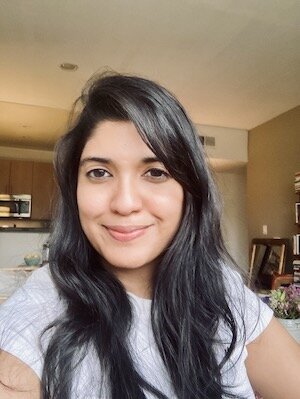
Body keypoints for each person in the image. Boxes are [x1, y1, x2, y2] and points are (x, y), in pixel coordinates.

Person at [0, 73, 299, 399]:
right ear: (75, 189)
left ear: (189, 190)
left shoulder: (223, 290)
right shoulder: (37, 314)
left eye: (156, 172)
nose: (125, 203)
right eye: (99, 173)